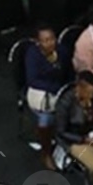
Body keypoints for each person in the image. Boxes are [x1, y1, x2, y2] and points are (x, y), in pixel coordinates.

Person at [24, 23, 66, 169]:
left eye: (52, 38)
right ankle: (46, 153)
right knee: (45, 120)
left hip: (61, 89)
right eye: (46, 40)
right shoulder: (32, 55)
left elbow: (68, 71)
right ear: (38, 42)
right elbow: (32, 80)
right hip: (43, 92)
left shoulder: (61, 50)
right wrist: (55, 88)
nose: (50, 43)